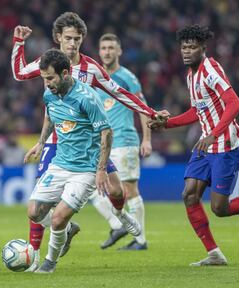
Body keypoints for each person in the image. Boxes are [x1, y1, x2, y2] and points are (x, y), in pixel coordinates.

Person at [11, 12, 169, 271]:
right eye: (68, 38)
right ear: (58, 38)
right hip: (57, 140)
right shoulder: (46, 62)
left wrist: (150, 113)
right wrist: (18, 43)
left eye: (78, 39)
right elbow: (19, 73)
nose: (73, 44)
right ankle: (35, 256)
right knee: (39, 201)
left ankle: (118, 215)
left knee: (118, 192)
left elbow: (118, 92)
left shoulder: (91, 68)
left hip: (91, 141)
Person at [148, 24, 239, 266]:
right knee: (189, 195)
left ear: (203, 49)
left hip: (226, 146)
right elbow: (198, 111)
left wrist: (214, 135)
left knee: (220, 208)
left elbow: (235, 103)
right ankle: (214, 254)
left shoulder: (210, 70)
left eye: (192, 47)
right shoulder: (191, 75)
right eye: (184, 47)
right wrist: (168, 124)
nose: (186, 51)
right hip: (206, 145)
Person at [25, 48, 141, 273]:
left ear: (66, 73)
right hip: (60, 163)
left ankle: (49, 262)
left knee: (58, 218)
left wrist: (100, 170)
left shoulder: (87, 98)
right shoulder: (49, 94)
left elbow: (106, 133)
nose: (46, 83)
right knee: (34, 212)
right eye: (44, 79)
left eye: (50, 78)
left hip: (85, 169)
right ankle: (68, 230)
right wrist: (40, 143)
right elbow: (50, 116)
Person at [88, 33, 151, 250]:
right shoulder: (95, 78)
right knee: (94, 190)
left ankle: (140, 240)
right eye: (103, 48)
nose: (107, 52)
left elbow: (142, 109)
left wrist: (147, 139)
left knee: (130, 190)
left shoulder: (128, 78)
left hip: (125, 140)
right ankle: (118, 225)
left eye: (111, 48)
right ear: (99, 51)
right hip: (103, 144)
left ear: (119, 51)